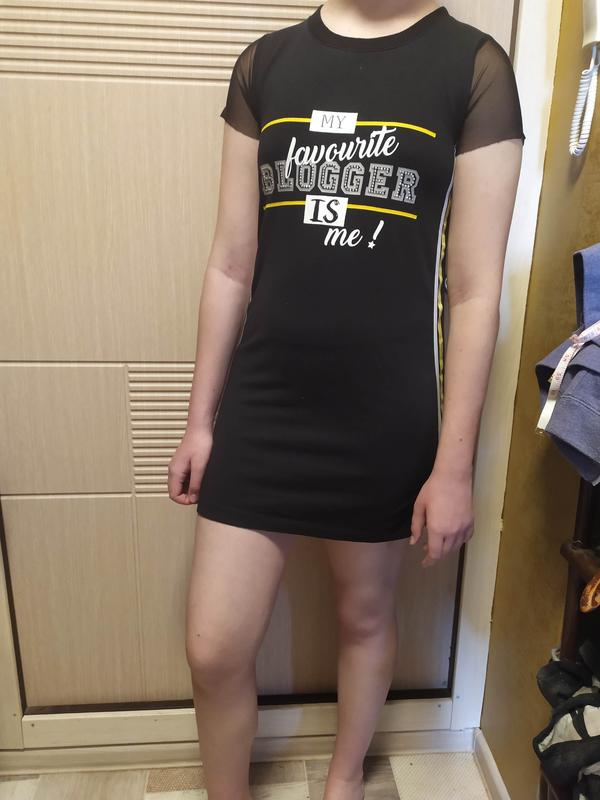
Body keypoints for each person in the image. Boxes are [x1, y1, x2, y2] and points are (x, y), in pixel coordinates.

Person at [168, 1, 525, 798]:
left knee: (364, 614)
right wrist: (199, 422)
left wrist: (454, 468)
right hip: (266, 402)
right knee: (214, 649)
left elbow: (474, 293)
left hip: (386, 408)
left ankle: (343, 780)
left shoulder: (473, 68)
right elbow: (230, 263)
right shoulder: (266, 64)